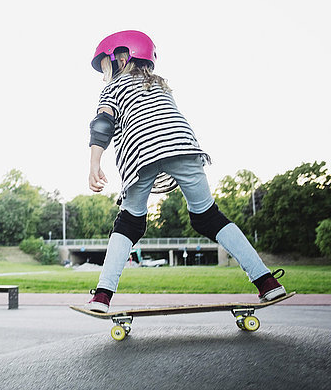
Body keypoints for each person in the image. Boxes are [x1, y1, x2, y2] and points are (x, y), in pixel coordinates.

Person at [85, 30, 286, 312]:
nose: (103, 73)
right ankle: (267, 282)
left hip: (142, 151)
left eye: (105, 65)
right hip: (184, 145)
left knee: (129, 223)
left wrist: (95, 164)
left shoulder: (113, 88)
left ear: (120, 58)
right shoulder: (161, 86)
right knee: (209, 217)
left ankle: (102, 296)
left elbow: (102, 124)